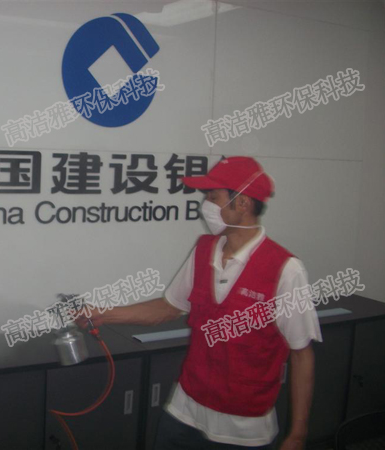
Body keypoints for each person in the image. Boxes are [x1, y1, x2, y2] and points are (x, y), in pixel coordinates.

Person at [75, 156, 322, 450]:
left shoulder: (285, 269)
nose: (206, 205)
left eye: (213, 197)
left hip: (243, 428)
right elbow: (169, 307)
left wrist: (298, 434)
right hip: (185, 411)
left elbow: (301, 353)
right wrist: (104, 314)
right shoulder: (204, 250)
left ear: (243, 203)